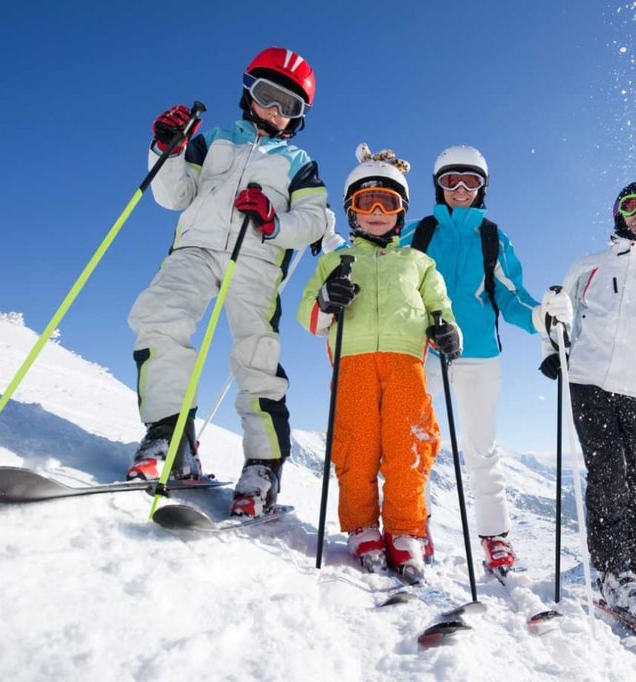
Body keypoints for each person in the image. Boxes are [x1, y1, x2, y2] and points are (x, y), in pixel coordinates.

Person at [125, 46, 334, 519]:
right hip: (196, 248)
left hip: (257, 260)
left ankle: (263, 467)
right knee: (159, 317)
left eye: (288, 105)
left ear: (299, 117)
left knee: (256, 354)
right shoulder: (214, 140)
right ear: (247, 92)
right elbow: (173, 195)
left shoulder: (299, 161)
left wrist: (274, 222)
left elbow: (314, 220)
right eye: (266, 95)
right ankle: (170, 437)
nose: (274, 110)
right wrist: (167, 148)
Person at [297, 144, 461, 584]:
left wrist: (446, 330)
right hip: (352, 364)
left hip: (406, 364)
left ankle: (406, 530)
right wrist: (326, 301)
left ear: (400, 211)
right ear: (350, 210)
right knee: (356, 446)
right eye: (365, 202)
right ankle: (362, 527)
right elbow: (308, 316)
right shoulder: (334, 261)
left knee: (410, 446)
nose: (375, 212)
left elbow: (441, 308)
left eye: (386, 203)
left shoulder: (418, 263)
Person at [537, 180, 636, 632]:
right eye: (631, 206)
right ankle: (614, 574)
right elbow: (556, 314)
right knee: (607, 474)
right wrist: (552, 350)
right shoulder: (588, 267)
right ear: (618, 213)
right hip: (589, 382)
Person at [401, 146, 548, 575]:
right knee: (415, 442)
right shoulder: (419, 233)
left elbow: (511, 294)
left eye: (471, 181)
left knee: (482, 448)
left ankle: (495, 537)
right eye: (451, 180)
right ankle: (415, 522)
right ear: (438, 186)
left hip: (479, 354)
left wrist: (540, 317)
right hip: (426, 350)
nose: (461, 189)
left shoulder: (492, 237)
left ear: (483, 188)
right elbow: (389, 276)